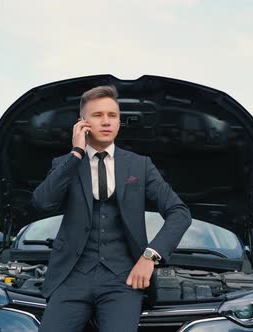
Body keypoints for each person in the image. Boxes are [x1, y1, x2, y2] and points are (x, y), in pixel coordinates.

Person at [32, 85, 191, 332]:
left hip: (123, 280)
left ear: (118, 121)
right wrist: (76, 152)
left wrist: (150, 256)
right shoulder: (66, 164)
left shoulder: (140, 166)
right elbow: (42, 202)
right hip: (71, 277)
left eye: (112, 115)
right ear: (82, 123)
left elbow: (179, 213)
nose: (106, 122)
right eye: (97, 116)